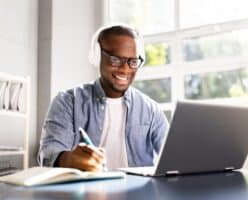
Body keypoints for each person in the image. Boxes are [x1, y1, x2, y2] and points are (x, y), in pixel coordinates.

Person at [38, 24, 169, 172]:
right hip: (88, 192)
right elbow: (49, 154)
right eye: (115, 59)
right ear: (97, 56)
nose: (125, 69)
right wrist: (68, 159)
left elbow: (173, 154)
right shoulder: (68, 101)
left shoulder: (150, 109)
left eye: (132, 62)